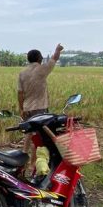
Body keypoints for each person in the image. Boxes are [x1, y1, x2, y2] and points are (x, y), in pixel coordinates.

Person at [17, 43, 64, 176]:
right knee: (38, 138)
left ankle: (22, 165)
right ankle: (33, 165)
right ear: (39, 59)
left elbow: (20, 93)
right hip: (40, 109)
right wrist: (58, 49)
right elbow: (54, 58)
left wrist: (21, 108)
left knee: (28, 135)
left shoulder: (22, 73)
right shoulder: (42, 69)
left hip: (27, 109)